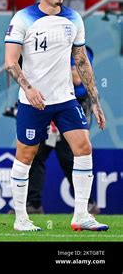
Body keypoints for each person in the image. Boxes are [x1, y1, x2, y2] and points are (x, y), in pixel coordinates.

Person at [4, 0, 109, 232]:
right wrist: (28, 89)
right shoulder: (23, 18)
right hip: (33, 101)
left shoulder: (74, 18)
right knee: (26, 155)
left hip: (65, 99)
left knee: (84, 148)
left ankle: (81, 215)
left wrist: (95, 100)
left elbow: (82, 61)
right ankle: (21, 218)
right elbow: (10, 62)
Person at [27, 47, 99, 215]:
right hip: (47, 108)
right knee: (35, 156)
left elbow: (77, 79)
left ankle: (88, 204)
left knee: (69, 160)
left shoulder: (81, 50)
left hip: (70, 108)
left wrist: (53, 68)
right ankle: (33, 205)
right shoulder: (49, 49)